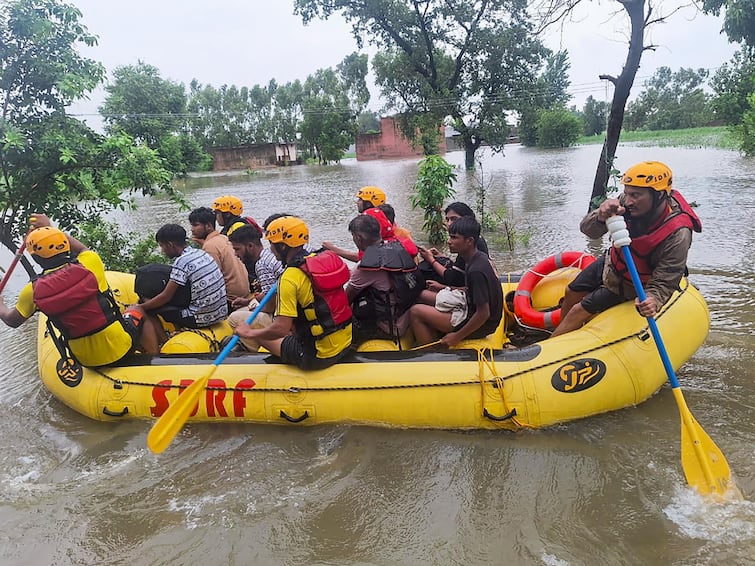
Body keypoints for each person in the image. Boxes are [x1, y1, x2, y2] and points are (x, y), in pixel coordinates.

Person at [551, 161, 702, 337]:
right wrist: (600, 217)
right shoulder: (625, 204)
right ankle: (562, 336)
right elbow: (589, 232)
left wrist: (653, 298)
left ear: (659, 195)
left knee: (578, 310)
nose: (629, 201)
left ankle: (551, 347)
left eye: (636, 195)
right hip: (615, 262)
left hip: (636, 281)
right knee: (571, 291)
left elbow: (666, 278)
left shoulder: (678, 233)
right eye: (627, 193)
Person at [0, 214, 162, 365]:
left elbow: (12, 320)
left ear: (35, 258)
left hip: (86, 359)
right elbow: (83, 249)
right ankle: (154, 359)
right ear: (64, 246)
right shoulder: (90, 263)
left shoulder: (32, 291)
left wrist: (1, 305)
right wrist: (51, 228)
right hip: (121, 347)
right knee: (137, 309)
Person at [235, 216, 352, 370]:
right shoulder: (320, 259)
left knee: (260, 335)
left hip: (318, 354)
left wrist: (249, 333)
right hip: (346, 342)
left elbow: (280, 329)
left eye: (272, 244)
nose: (270, 249)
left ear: (283, 247)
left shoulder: (289, 277)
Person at [409, 216, 503, 347]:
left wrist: (457, 336)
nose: (449, 241)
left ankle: (431, 354)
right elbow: (471, 290)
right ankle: (433, 334)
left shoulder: (476, 270)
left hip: (482, 324)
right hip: (468, 305)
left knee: (415, 311)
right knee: (421, 296)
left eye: (454, 238)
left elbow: (483, 313)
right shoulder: (476, 258)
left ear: (469, 241)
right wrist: (445, 288)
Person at [345, 214, 424, 343]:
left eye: (353, 236)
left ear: (358, 238)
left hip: (389, 327)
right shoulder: (398, 249)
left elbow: (345, 300)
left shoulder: (364, 268)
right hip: (405, 314)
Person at [138, 224, 228, 331]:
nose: (162, 251)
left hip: (200, 318)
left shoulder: (182, 262)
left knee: (148, 308)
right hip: (221, 313)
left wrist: (141, 307)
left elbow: (166, 296)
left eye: (162, 246)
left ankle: (162, 343)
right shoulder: (201, 253)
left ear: (170, 244)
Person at [226, 223, 284, 351]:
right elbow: (271, 291)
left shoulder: (262, 265)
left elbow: (271, 305)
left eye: (237, 249)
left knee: (233, 318)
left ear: (250, 246)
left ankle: (253, 350)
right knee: (244, 309)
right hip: (282, 309)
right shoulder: (268, 255)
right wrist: (248, 301)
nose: (236, 254)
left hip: (278, 316)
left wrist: (254, 310)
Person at [418, 202, 489, 287]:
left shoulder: (472, 245)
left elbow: (452, 279)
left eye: (454, 219)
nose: (449, 224)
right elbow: (460, 267)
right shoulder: (476, 239)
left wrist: (430, 259)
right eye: (447, 220)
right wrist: (442, 257)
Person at [189, 206, 250, 302]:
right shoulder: (223, 238)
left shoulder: (210, 246)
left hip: (231, 299)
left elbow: (213, 280)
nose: (192, 229)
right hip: (245, 293)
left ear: (208, 226)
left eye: (195, 225)